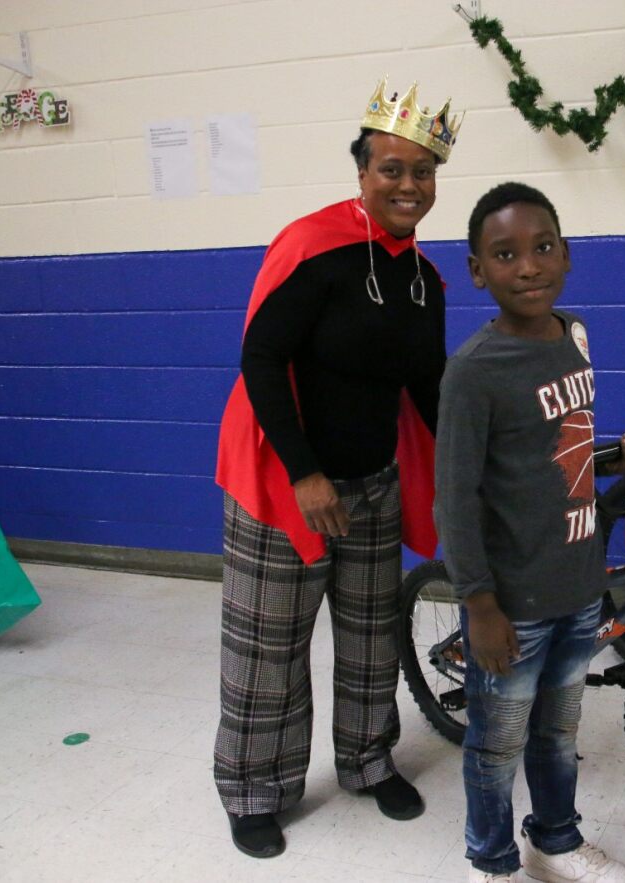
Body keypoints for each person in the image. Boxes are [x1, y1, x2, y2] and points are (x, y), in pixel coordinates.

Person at [212, 79, 462, 859]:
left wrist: (480, 453)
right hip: (290, 487)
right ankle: (254, 788)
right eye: (392, 168)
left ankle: (366, 759)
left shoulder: (425, 280)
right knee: (267, 648)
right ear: (361, 172)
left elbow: (429, 386)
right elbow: (261, 354)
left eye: (422, 172)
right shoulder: (313, 249)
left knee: (368, 637)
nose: (408, 186)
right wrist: (305, 473)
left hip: (374, 484)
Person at [435, 181, 625, 883]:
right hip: (512, 601)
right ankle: (490, 859)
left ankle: (555, 838)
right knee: (495, 745)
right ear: (477, 269)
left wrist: (616, 456)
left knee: (557, 734)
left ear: (566, 255)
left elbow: (558, 448)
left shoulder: (576, 335)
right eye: (505, 254)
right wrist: (479, 604)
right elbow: (455, 496)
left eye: (543, 247)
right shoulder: (471, 371)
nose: (528, 266)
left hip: (578, 583)